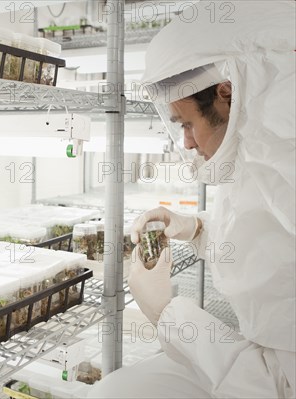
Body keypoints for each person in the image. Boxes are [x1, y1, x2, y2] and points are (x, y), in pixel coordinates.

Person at [89, 2, 295, 397]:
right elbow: (269, 243)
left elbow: (276, 389)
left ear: (227, 93)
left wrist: (168, 314)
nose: (185, 142)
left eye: (187, 124)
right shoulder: (268, 154)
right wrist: (198, 227)